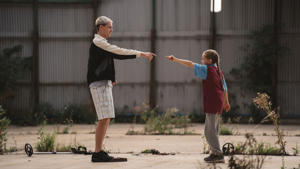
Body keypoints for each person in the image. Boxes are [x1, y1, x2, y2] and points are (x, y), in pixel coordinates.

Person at [87, 16, 156, 162]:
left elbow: (106, 60)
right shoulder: (98, 42)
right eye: (109, 27)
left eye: (112, 27)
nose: (111, 29)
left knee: (106, 118)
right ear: (100, 28)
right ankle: (97, 152)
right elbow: (118, 52)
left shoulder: (102, 43)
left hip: (104, 83)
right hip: (98, 84)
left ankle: (99, 151)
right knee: (103, 118)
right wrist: (141, 53)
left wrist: (111, 78)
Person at [165, 49, 230, 163]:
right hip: (217, 102)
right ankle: (215, 153)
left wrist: (175, 59)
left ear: (209, 60)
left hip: (212, 102)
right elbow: (225, 87)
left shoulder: (207, 69)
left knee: (211, 131)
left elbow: (190, 64)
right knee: (210, 130)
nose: (201, 60)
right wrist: (226, 102)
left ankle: (218, 154)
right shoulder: (218, 70)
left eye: (203, 58)